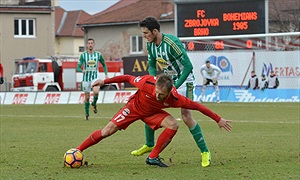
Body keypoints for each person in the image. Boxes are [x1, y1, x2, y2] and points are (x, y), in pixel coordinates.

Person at [76, 74, 232, 167]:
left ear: (169, 92)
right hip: (133, 108)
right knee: (107, 131)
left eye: (161, 95)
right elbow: (127, 77)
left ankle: (152, 157)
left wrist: (218, 119)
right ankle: (78, 150)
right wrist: (105, 81)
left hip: (151, 113)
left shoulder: (176, 99)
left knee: (173, 124)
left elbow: (198, 106)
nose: (158, 96)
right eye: (156, 92)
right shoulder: (146, 82)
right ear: (155, 86)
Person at [132, 16, 214, 167]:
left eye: (146, 33)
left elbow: (188, 66)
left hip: (183, 81)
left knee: (186, 117)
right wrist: (153, 79)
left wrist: (175, 86)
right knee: (149, 107)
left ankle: (205, 152)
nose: (144, 36)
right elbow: (151, 64)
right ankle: (149, 144)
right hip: (167, 82)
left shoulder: (172, 43)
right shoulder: (151, 45)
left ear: (155, 31)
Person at [77, 38, 108, 120]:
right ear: (87, 45)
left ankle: (94, 103)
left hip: (95, 77)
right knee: (87, 98)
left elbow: (104, 64)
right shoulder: (83, 56)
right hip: (86, 79)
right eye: (89, 43)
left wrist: (106, 74)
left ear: (94, 45)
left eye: (92, 43)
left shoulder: (98, 55)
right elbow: (78, 67)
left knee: (96, 92)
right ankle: (87, 115)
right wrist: (81, 70)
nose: (90, 45)